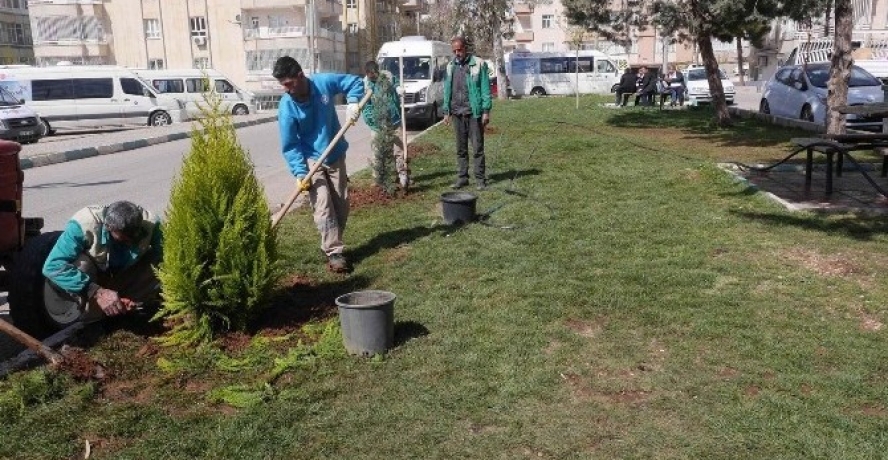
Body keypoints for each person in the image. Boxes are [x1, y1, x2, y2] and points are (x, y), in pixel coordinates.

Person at [273, 56, 364, 273]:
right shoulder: (287, 107)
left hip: (335, 153)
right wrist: (300, 172)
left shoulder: (322, 83)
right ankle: (334, 252)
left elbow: (354, 82)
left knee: (341, 204)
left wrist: (353, 101)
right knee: (322, 204)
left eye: (289, 83)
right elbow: (291, 145)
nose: (286, 89)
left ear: (300, 76)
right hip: (311, 160)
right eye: (282, 85)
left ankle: (334, 240)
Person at [42, 201, 163, 322]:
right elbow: (52, 266)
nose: (130, 242)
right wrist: (97, 292)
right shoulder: (85, 224)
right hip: (95, 277)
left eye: (134, 237)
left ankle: (127, 306)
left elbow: (169, 256)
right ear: (108, 227)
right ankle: (94, 319)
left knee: (160, 260)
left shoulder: (151, 224)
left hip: (124, 273)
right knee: (82, 265)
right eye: (124, 239)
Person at [442, 36, 492, 191]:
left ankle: (480, 179)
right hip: (457, 113)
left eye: (459, 49)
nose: (457, 53)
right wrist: (446, 111)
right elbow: (447, 89)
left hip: (473, 113)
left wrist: (486, 111)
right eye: (454, 51)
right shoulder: (451, 66)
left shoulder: (478, 64)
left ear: (465, 48)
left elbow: (485, 88)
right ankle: (463, 178)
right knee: (461, 149)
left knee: (477, 148)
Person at [362, 60, 408, 186]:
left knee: (399, 149)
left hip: (394, 120)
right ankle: (378, 179)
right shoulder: (366, 85)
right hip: (377, 126)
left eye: (374, 75)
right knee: (378, 152)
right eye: (370, 76)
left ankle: (402, 174)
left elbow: (396, 82)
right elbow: (366, 109)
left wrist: (398, 88)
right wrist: (376, 122)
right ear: (367, 74)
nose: (372, 78)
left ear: (378, 71)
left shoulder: (387, 76)